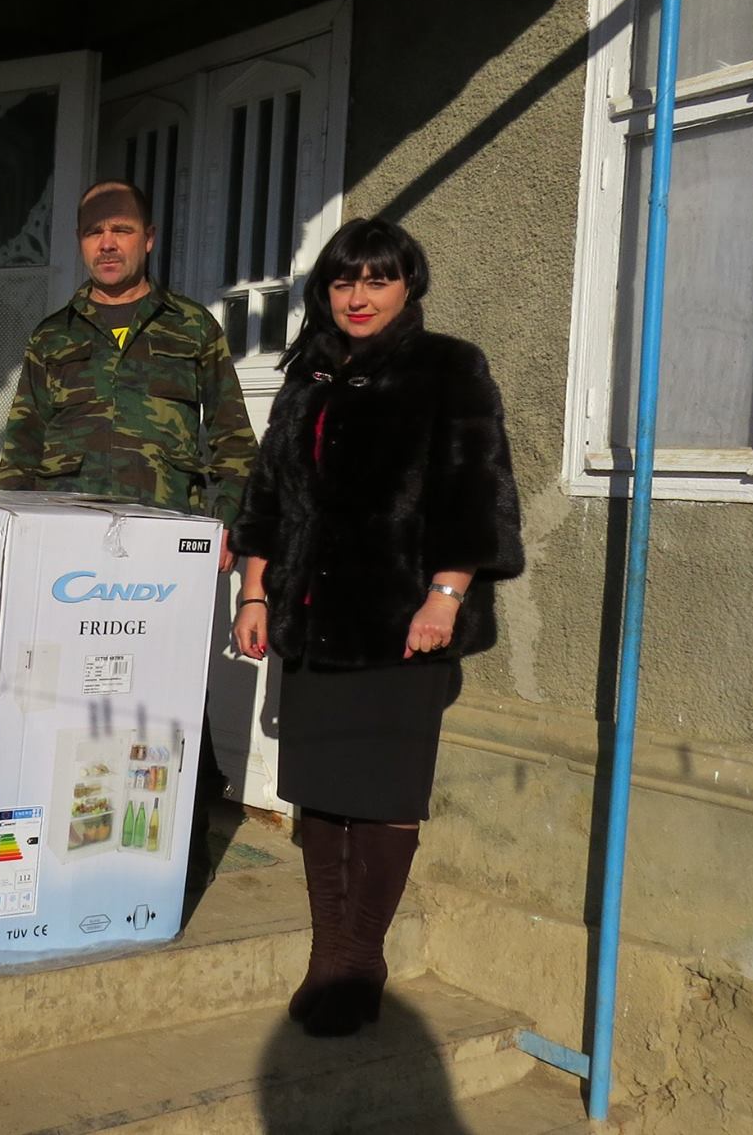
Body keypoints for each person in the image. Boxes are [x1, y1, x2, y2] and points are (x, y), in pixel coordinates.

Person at [228, 217, 524, 1037]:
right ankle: (330, 951)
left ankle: (362, 958)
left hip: (402, 625)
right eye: (343, 280)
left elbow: (478, 494)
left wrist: (446, 595)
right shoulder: (309, 376)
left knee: (385, 795)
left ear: (408, 285)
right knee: (321, 792)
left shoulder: (449, 368)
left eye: (378, 279)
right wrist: (255, 594)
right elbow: (267, 496)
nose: (359, 297)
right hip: (311, 621)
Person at [0, 179, 258, 887]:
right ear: (81, 244)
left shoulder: (193, 329)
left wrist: (226, 522)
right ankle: (71, 848)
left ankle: (176, 857)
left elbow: (233, 439)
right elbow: (22, 447)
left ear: (148, 238)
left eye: (120, 230)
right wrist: (11, 540)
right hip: (68, 550)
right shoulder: (52, 335)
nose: (107, 243)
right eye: (93, 232)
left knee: (169, 697)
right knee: (71, 697)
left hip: (165, 548)